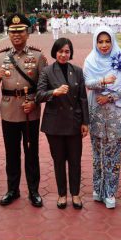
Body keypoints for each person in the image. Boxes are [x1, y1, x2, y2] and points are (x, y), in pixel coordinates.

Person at [0, 14, 47, 207]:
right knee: (11, 153)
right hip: (9, 110)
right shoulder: (0, 57)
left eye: (20, 31)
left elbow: (43, 87)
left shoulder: (38, 56)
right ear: (8, 33)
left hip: (30, 110)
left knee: (31, 153)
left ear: (27, 33)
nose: (16, 35)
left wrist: (35, 103)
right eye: (12, 31)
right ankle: (12, 190)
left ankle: (34, 191)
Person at [84, 26, 121, 209]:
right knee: (97, 152)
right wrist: (103, 81)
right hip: (97, 112)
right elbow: (88, 83)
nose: (104, 45)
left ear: (112, 41)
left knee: (113, 154)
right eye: (100, 41)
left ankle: (110, 192)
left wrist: (111, 96)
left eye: (107, 41)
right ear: (95, 42)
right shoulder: (90, 60)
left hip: (116, 113)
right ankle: (98, 189)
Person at [36, 38, 89, 209]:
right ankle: (62, 194)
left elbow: (82, 98)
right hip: (55, 124)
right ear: (55, 52)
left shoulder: (78, 71)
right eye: (60, 51)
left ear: (70, 53)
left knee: (75, 160)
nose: (63, 55)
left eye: (67, 51)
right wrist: (54, 92)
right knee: (59, 161)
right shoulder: (47, 71)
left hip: (74, 123)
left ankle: (75, 193)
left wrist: (85, 122)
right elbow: (39, 95)